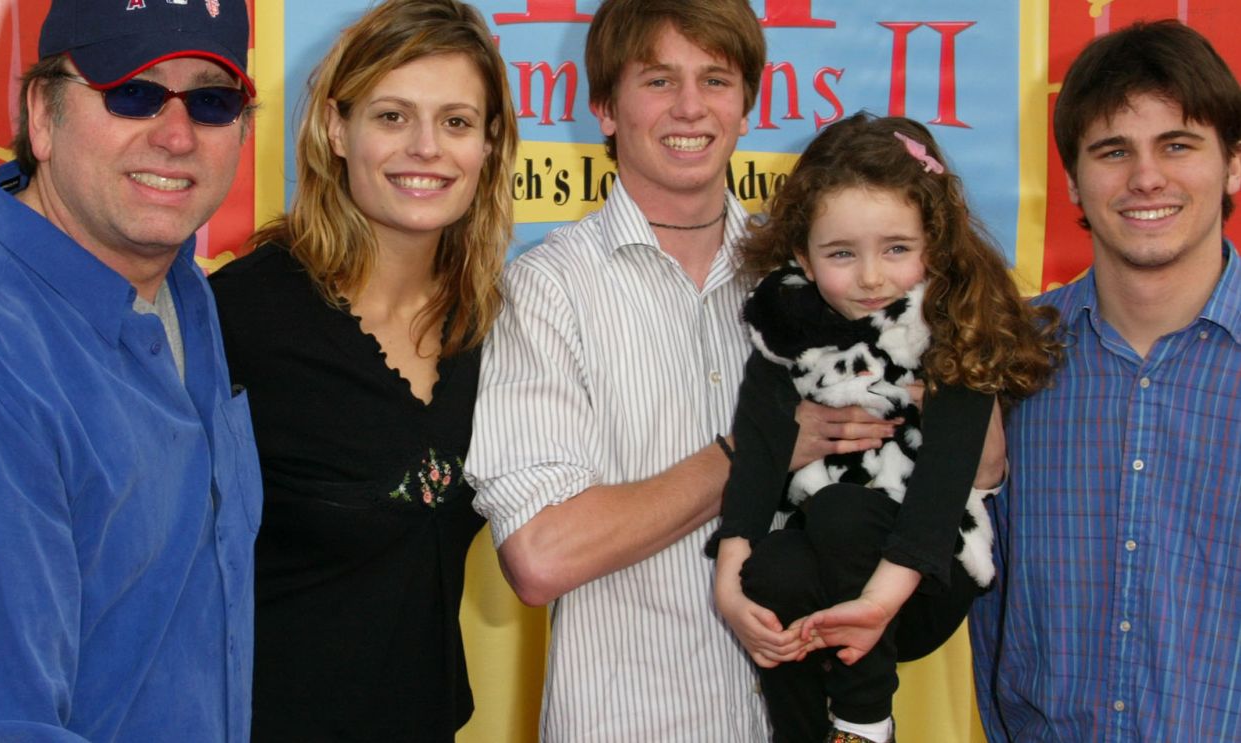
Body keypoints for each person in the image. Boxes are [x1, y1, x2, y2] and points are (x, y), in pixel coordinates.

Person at [465, 1, 979, 739]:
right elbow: (542, 556)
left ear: (748, 106)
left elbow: (969, 463)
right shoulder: (547, 289)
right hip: (633, 721)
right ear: (604, 107)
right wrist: (761, 448)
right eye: (657, 80)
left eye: (715, 79)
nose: (689, 107)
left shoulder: (826, 270)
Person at [208, 1, 517, 740]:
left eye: (455, 121)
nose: (425, 148)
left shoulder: (499, 328)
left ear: (488, 145)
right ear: (336, 130)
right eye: (390, 116)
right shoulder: (237, 316)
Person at [708, 114, 1059, 743]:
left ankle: (866, 723)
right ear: (802, 256)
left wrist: (878, 604)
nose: (871, 277)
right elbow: (758, 451)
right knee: (774, 566)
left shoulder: (953, 323)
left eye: (897, 248)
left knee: (842, 510)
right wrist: (730, 578)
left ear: (935, 242)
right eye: (842, 253)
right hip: (830, 570)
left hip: (926, 572)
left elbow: (944, 486)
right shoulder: (784, 325)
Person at [0, 0, 260, 740]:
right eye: (131, 92)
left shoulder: (183, 285)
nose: (175, 137)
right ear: (41, 114)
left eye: (211, 101)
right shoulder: (2, 356)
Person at [969, 19, 1241, 740]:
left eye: (1176, 145)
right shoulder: (1001, 357)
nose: (1145, 177)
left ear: (1233, 165)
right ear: (1072, 182)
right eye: (1112, 151)